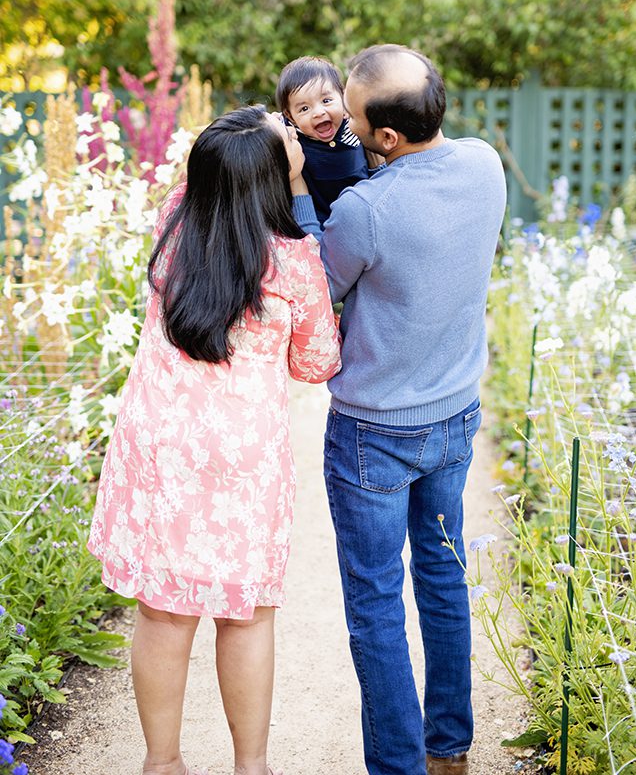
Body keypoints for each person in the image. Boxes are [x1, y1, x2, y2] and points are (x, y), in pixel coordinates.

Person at [87, 107, 341, 775]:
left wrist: (256, 150)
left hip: (159, 447)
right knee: (246, 616)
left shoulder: (174, 222)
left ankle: (162, 763)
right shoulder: (293, 260)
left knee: (162, 615)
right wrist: (297, 184)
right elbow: (317, 363)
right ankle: (250, 767)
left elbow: (208, 177)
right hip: (241, 462)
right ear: (274, 175)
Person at [289, 45, 507, 775]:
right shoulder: (484, 164)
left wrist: (298, 191)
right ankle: (448, 747)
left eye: (351, 117)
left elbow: (316, 291)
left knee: (376, 601)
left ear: (385, 136)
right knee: (443, 576)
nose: (342, 126)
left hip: (373, 433)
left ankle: (398, 767)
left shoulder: (366, 210)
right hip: (455, 417)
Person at [275, 55, 373, 227]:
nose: (318, 112)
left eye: (326, 101)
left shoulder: (355, 126)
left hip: (364, 214)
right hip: (320, 220)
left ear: (343, 97)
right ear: (290, 116)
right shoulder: (295, 141)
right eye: (304, 108)